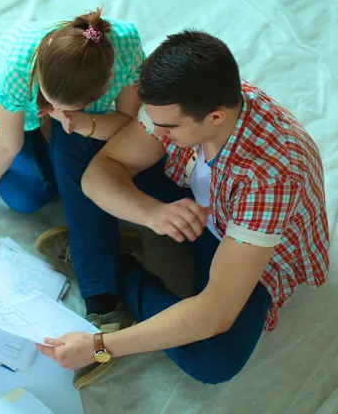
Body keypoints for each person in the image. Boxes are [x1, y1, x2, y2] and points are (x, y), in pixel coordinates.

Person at [35, 30, 330, 389]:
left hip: (241, 247)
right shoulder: (183, 100)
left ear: (215, 118)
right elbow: (100, 173)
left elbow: (215, 313)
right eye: (153, 119)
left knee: (214, 360)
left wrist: (100, 346)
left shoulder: (273, 178)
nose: (152, 129)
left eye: (168, 126)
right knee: (74, 138)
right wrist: (151, 213)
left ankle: (113, 265)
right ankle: (102, 293)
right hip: (192, 200)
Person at [0, 7, 146, 215]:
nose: (56, 109)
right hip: (7, 105)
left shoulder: (126, 45)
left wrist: (79, 120)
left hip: (66, 113)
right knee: (26, 198)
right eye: (51, 101)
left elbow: (129, 122)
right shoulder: (15, 69)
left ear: (110, 78)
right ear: (39, 64)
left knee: (86, 179)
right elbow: (7, 143)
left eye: (66, 107)